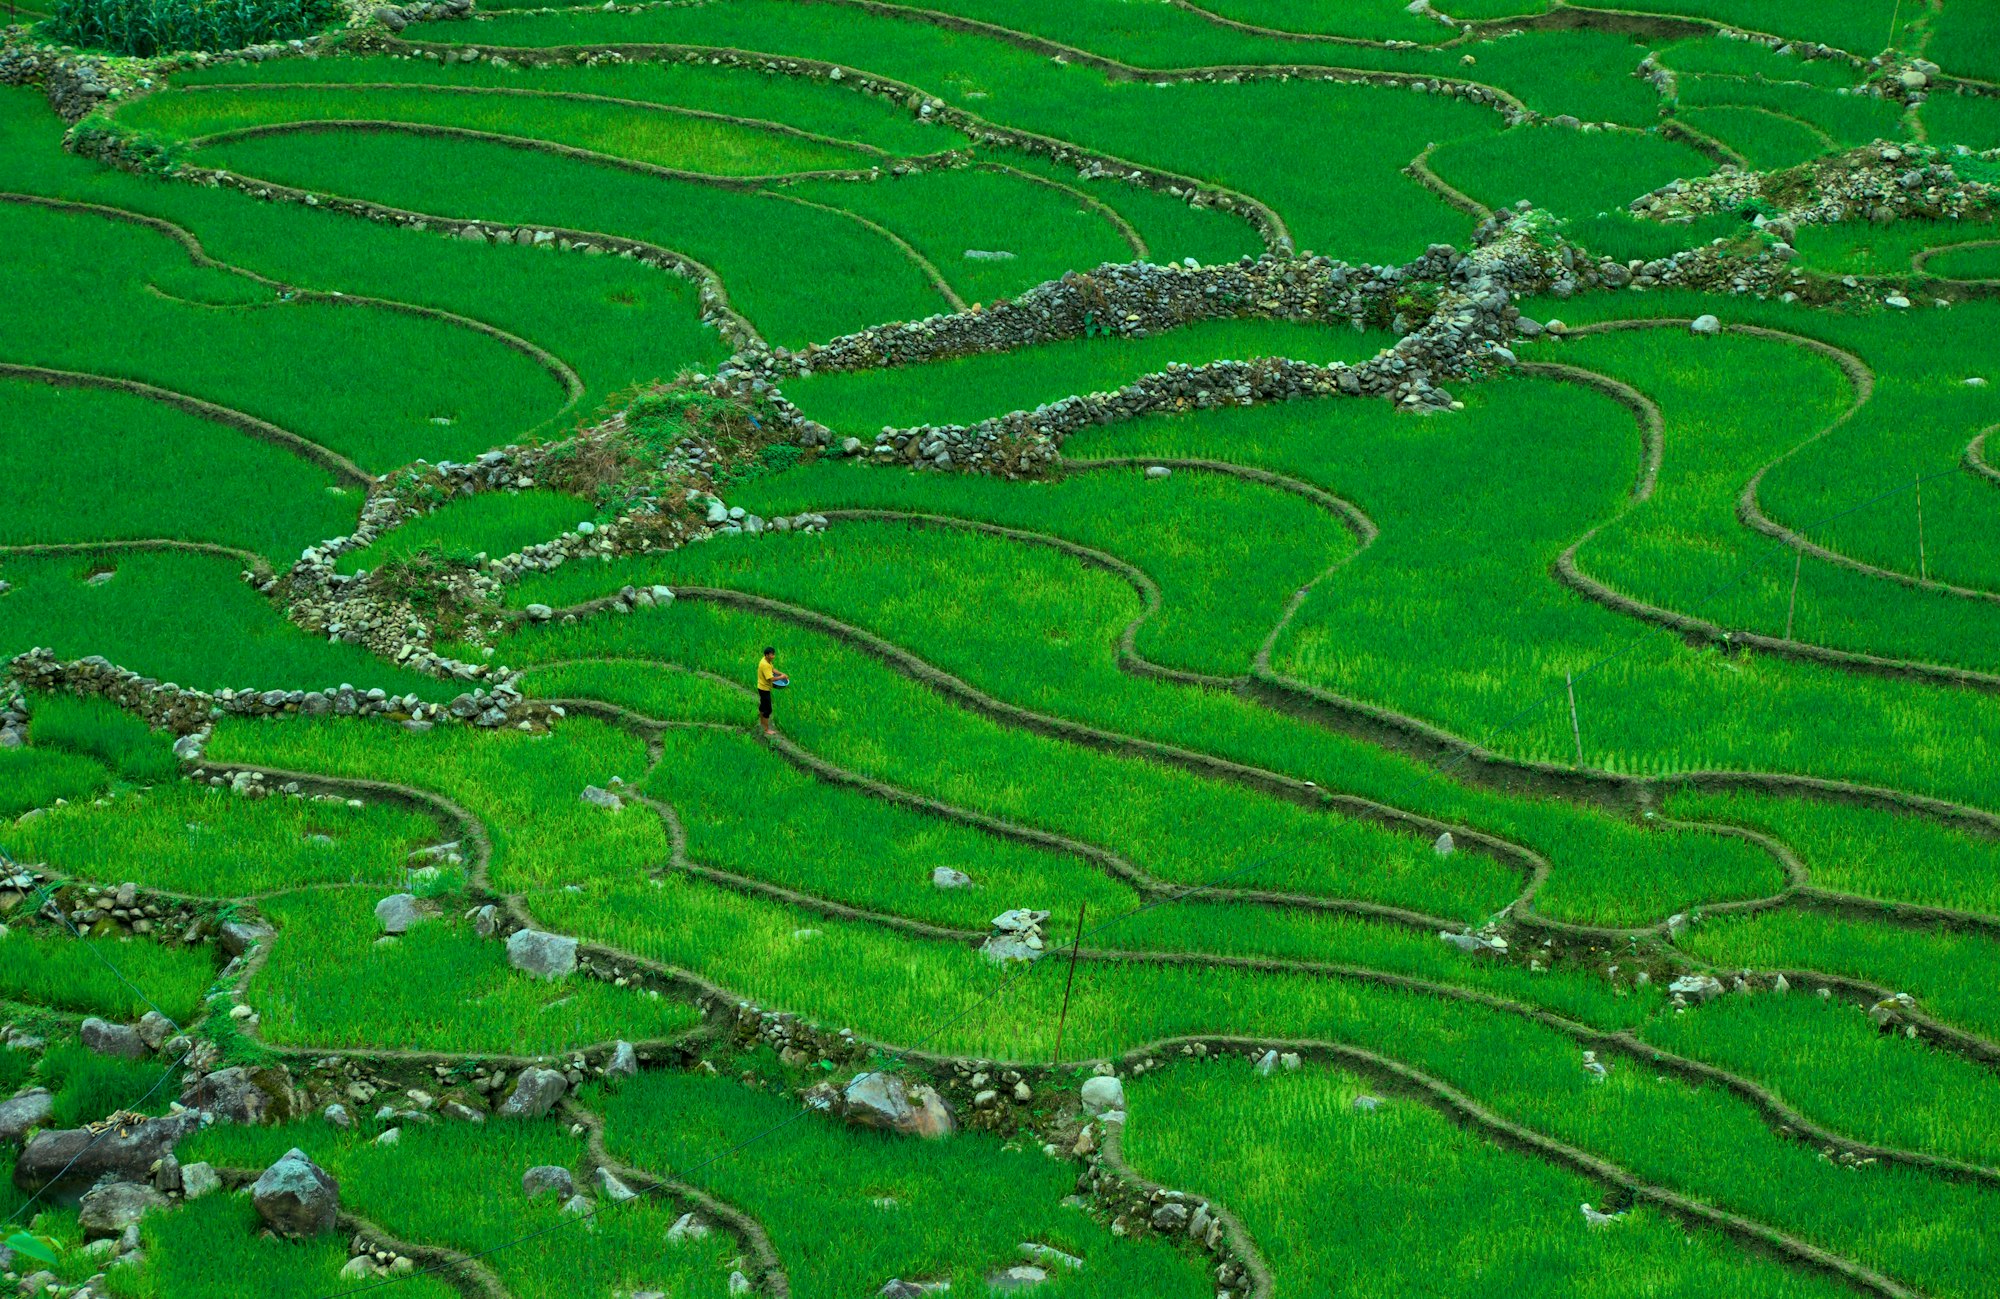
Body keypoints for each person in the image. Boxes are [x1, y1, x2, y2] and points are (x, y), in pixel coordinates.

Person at [756, 646, 780, 735]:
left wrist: (781, 673)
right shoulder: (765, 665)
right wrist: (782, 677)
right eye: (772, 655)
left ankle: (762, 724)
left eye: (774, 654)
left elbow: (772, 669)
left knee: (763, 706)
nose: (773, 656)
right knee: (768, 709)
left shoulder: (765, 660)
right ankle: (766, 729)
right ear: (767, 655)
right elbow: (771, 679)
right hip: (764, 688)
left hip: (761, 687)